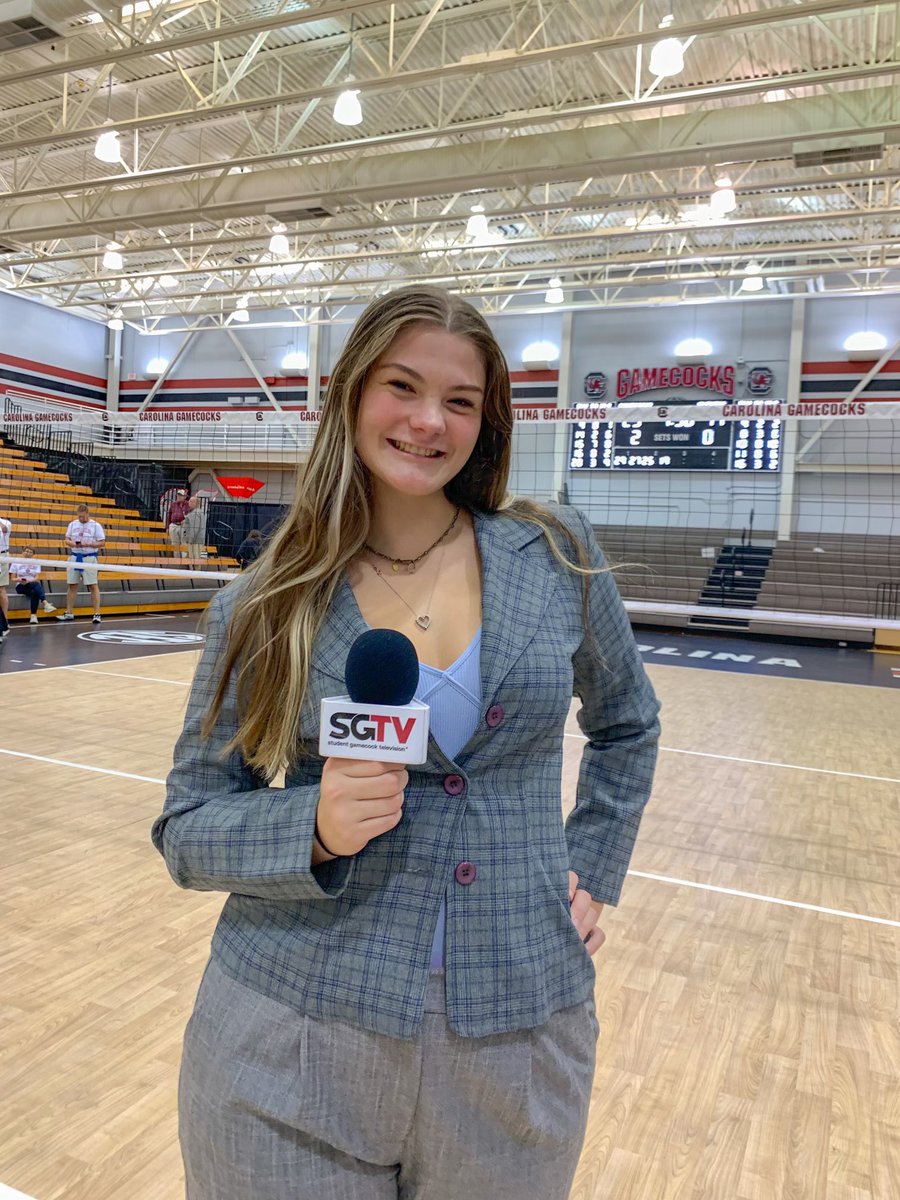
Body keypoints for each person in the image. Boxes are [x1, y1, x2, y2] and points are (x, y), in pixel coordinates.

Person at [152, 285, 660, 1200]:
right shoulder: (264, 604)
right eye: (402, 386)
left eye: (460, 400)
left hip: (515, 1034)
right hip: (287, 1037)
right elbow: (188, 828)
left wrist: (590, 865)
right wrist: (313, 827)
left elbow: (628, 723)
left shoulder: (556, 555)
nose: (429, 421)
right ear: (351, 393)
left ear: (486, 422)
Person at [58, 504, 106, 624]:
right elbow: (66, 539)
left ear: (88, 514)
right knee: (72, 585)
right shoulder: (72, 524)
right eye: (79, 517)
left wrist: (89, 544)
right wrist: (73, 544)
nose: (81, 519)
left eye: (83, 517)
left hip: (89, 557)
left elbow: (102, 542)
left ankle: (97, 614)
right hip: (75, 556)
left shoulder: (96, 525)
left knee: (93, 585)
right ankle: (69, 612)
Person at [10, 546, 57, 623]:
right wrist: (19, 579)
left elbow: (36, 577)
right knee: (36, 585)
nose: (28, 553)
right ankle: (45, 603)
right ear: (22, 552)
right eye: (26, 551)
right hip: (20, 586)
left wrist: (29, 581)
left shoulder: (36, 562)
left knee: (34, 592)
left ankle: (33, 616)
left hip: (31, 583)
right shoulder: (16, 562)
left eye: (30, 552)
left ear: (33, 554)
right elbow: (12, 578)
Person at [179, 495, 208, 561]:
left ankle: (195, 568)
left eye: (191, 501)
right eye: (189, 501)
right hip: (197, 539)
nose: (189, 502)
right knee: (194, 558)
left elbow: (194, 528)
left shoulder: (195, 513)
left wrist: (190, 540)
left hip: (195, 541)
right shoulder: (197, 512)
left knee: (194, 559)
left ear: (196, 503)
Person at [0, 514, 10, 641]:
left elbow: (4, 530)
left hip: (2, 556)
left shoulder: (6, 522)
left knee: (1, 589)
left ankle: (4, 623)